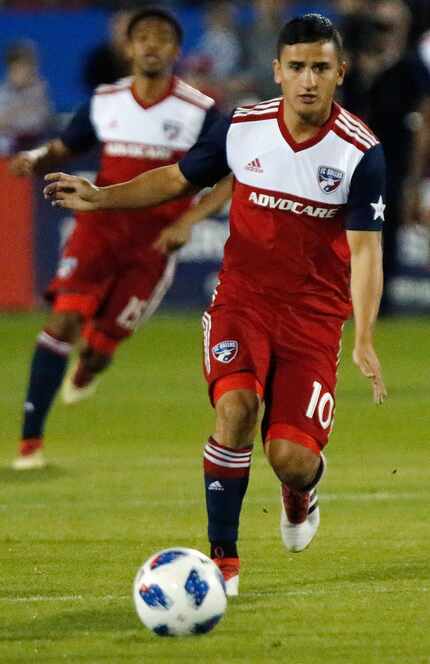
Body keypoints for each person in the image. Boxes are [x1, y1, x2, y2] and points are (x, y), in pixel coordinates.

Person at [44, 14, 387, 596]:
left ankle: (301, 492)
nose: (308, 79)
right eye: (297, 67)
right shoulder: (243, 127)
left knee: (290, 458)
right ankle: (222, 561)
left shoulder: (360, 153)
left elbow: (366, 252)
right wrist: (103, 197)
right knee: (235, 410)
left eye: (321, 68)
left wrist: (362, 338)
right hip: (241, 302)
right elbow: (178, 179)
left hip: (312, 319)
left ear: (340, 73)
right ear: (278, 71)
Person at [10, 7, 231, 471]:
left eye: (162, 37)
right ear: (127, 48)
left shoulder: (201, 111)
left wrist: (188, 221)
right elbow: (66, 144)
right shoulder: (105, 100)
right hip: (98, 227)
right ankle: (29, 443)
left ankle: (92, 361)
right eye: (143, 37)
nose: (151, 44)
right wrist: (36, 155)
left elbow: (234, 174)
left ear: (176, 50)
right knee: (62, 321)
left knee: (98, 346)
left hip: (153, 244)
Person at [0, 41, 52, 156]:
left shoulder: (40, 91)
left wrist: (10, 119)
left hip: (32, 154)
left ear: (32, 68)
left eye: (23, 67)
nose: (18, 72)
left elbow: (35, 124)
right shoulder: (3, 90)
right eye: (14, 67)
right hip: (6, 155)